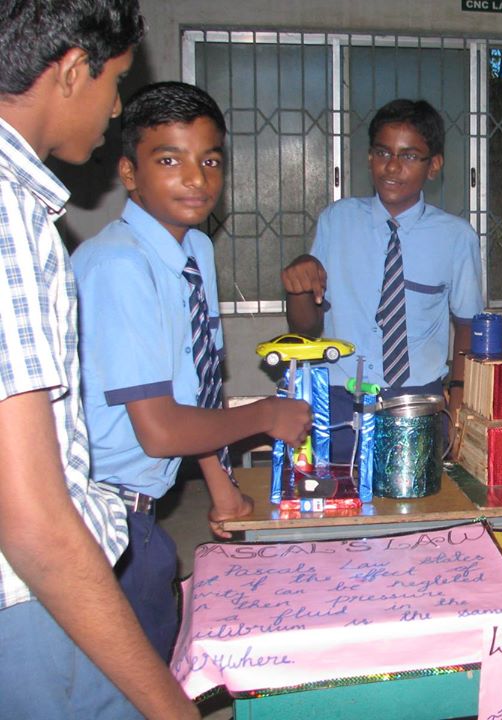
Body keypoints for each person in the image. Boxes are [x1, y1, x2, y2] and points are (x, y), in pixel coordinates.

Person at [0, 3, 201, 718]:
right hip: (32, 588)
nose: (115, 106)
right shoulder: (10, 220)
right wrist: (170, 706)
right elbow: (35, 523)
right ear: (73, 71)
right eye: (116, 82)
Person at [72, 81, 312, 661]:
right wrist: (266, 415)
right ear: (129, 173)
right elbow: (159, 429)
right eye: (169, 160)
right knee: (130, 682)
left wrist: (222, 486)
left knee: (168, 641)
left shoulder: (195, 250)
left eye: (209, 160)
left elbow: (195, 384)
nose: (197, 179)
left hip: (145, 508)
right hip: (97, 516)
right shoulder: (118, 267)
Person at [282, 98, 482, 462]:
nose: (392, 166)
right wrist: (296, 284)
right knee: (342, 501)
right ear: (369, 157)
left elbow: (467, 327)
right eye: (382, 152)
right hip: (341, 397)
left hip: (417, 399)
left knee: (416, 507)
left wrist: (459, 402)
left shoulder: (455, 237)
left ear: (433, 165)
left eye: (409, 156)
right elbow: (306, 328)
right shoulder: (337, 221)